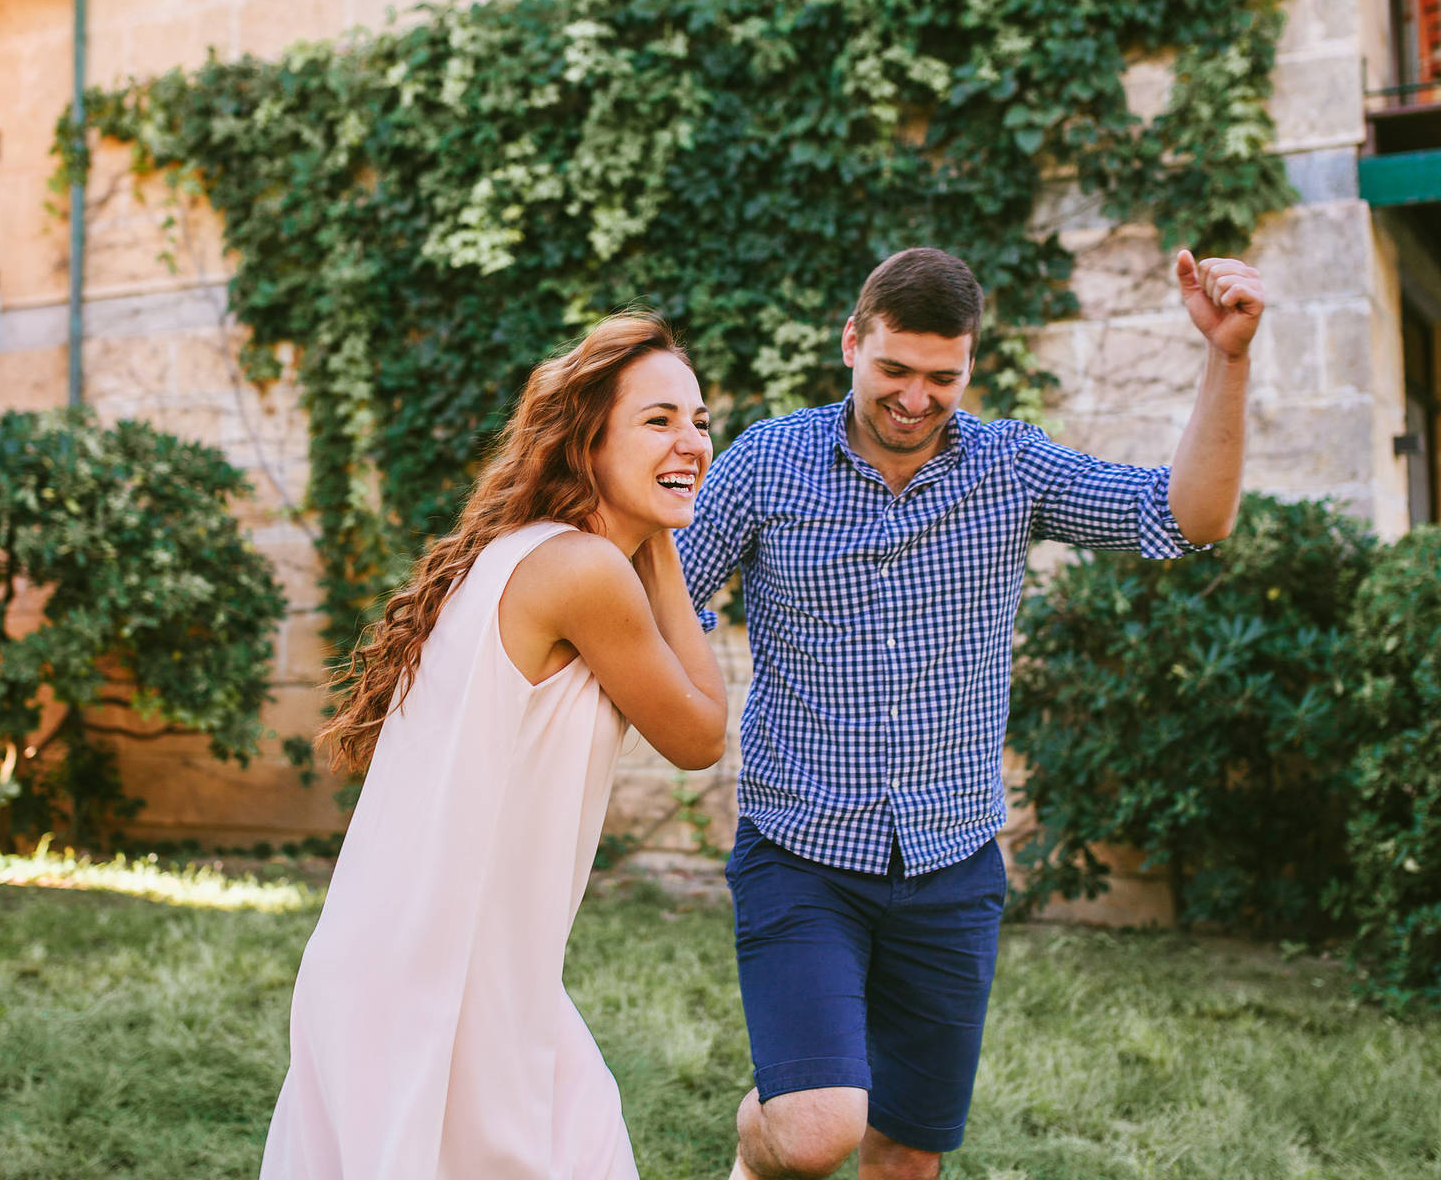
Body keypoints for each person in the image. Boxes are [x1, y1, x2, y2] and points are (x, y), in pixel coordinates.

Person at [676, 247, 1264, 1180]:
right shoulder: (765, 464)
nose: (916, 397)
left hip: (951, 868)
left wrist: (1227, 358)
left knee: (906, 1153)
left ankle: (806, 1094)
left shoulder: (1010, 467)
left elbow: (1185, 517)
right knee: (816, 1131)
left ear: (970, 367)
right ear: (850, 345)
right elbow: (670, 600)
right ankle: (769, 1130)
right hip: (800, 855)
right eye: (894, 370)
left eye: (941, 377)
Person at [259, 313, 728, 1179]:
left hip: (441, 963)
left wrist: (656, 518)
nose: (692, 441)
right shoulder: (584, 573)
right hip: (444, 982)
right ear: (588, 441)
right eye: (658, 420)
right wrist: (662, 534)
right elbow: (700, 733)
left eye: (699, 420)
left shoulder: (527, 552)